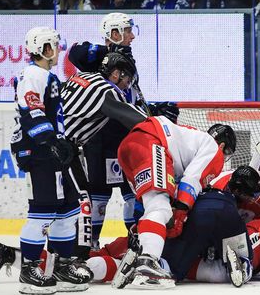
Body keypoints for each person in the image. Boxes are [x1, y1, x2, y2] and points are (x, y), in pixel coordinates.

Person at [0, 166, 260, 288]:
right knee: (92, 267)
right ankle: (12, 257)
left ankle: (13, 256)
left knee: (91, 259)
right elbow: (238, 255)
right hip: (162, 248)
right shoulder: (223, 207)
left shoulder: (198, 187)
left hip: (149, 232)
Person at [68, 13, 179, 249]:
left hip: (128, 137)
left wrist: (154, 110)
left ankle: (136, 242)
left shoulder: (129, 60)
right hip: (99, 138)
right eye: (127, 31)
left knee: (134, 192)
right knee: (99, 194)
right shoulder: (100, 60)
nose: (132, 36)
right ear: (115, 33)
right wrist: (106, 52)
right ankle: (90, 245)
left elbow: (132, 97)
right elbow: (75, 53)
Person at [6, 26, 92, 295]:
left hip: (52, 151)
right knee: (43, 210)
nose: (58, 49)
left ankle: (61, 265)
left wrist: (61, 141)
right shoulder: (32, 75)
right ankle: (29, 268)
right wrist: (52, 141)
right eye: (54, 45)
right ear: (43, 48)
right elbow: (31, 111)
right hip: (39, 152)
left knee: (67, 209)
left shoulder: (46, 75)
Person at [112, 118, 237, 289]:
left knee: (155, 207)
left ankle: (142, 252)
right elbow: (191, 182)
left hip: (129, 147)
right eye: (226, 153)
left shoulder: (189, 143)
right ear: (222, 146)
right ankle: (148, 263)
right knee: (159, 207)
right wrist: (179, 216)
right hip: (152, 142)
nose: (223, 159)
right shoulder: (213, 149)